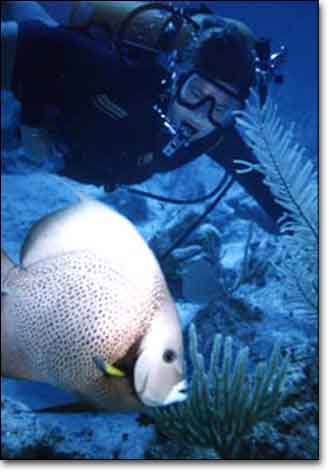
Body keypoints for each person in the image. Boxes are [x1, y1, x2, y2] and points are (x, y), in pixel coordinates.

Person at [1, 1, 284, 224]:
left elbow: (275, 199)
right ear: (176, 80)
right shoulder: (120, 75)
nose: (199, 114)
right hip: (29, 93)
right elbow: (38, 44)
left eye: (220, 108)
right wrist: (32, 124)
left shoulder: (215, 135)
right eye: (194, 93)